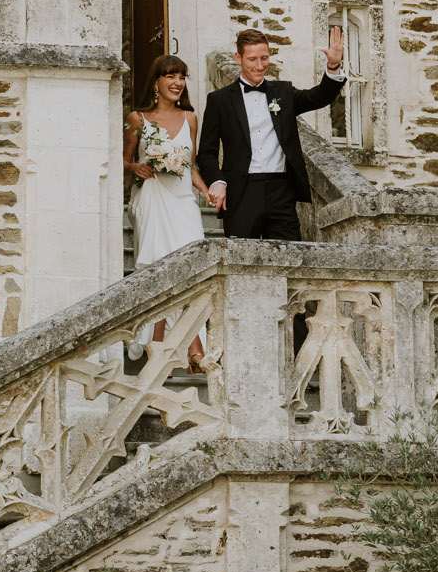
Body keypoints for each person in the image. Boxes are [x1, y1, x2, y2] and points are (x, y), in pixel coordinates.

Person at [196, 25, 346, 241]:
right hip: (241, 191)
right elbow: (207, 153)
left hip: (281, 190)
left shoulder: (283, 92)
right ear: (238, 58)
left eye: (264, 58)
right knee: (241, 262)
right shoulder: (219, 100)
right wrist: (217, 182)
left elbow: (319, 97)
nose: (259, 66)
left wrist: (333, 66)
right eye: (252, 59)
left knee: (289, 256)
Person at [123, 54, 214, 366]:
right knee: (160, 266)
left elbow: (191, 166)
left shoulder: (190, 119)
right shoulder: (138, 118)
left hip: (181, 200)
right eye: (171, 77)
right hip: (153, 197)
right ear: (157, 82)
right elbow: (124, 159)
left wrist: (207, 190)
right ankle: (163, 344)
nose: (177, 83)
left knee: (190, 267)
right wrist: (137, 167)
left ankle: (192, 345)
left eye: (182, 77)